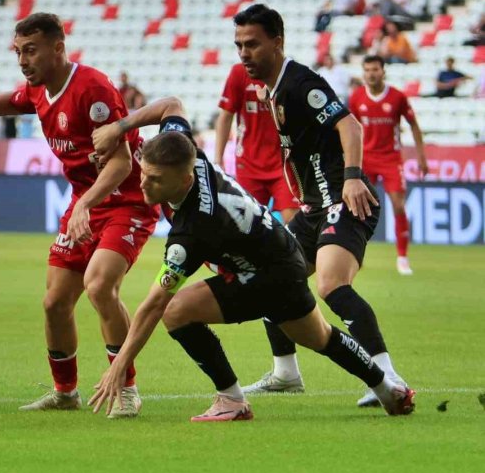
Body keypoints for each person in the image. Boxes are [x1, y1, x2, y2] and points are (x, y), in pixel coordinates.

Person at [89, 104, 415, 421]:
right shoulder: (183, 150)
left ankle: (231, 399)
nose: (144, 183)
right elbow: (171, 105)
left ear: (185, 181)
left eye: (156, 179)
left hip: (266, 275)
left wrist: (119, 364)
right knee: (320, 336)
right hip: (283, 253)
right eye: (144, 173)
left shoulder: (195, 228)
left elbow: (154, 304)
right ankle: (387, 389)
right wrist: (120, 127)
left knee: (176, 311)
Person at [0, 13, 159, 417]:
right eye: (18, 52)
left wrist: (84, 204)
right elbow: (11, 102)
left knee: (100, 287)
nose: (22, 60)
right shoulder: (38, 90)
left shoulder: (93, 89)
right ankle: (65, 392)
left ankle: (126, 387)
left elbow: (119, 163)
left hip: (126, 202)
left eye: (30, 50)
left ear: (58, 49)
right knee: (54, 302)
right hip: (85, 202)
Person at [228, 5, 409, 408]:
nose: (244, 53)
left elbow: (350, 125)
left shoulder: (300, 83)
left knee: (330, 284)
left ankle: (387, 375)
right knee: (269, 275)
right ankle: (285, 373)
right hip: (314, 208)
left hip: (341, 200)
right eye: (239, 45)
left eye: (253, 44)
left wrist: (352, 177)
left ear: (277, 42)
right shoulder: (274, 89)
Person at [349, 56, 428, 276]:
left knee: (398, 206)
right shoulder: (356, 98)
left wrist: (422, 157)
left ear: (383, 71)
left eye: (375, 69)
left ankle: (402, 258)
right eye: (367, 69)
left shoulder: (397, 97)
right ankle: (356, 254)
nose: (371, 73)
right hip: (365, 159)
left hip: (391, 159)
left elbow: (413, 125)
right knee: (357, 210)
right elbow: (349, 130)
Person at [214, 62, 298, 224]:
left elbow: (296, 120)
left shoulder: (288, 72)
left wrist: (270, 100)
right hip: (249, 163)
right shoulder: (239, 72)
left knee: (294, 221)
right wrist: (218, 159)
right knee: (248, 225)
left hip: (284, 163)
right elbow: (225, 116)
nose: (244, 51)